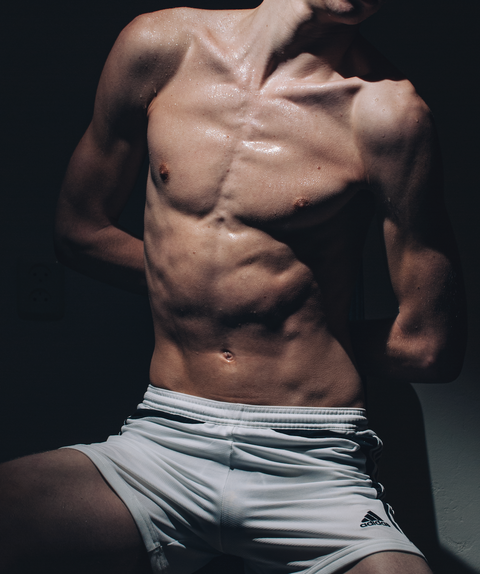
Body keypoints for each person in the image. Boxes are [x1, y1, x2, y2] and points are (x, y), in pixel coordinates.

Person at [0, 0, 467, 573]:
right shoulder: (160, 47)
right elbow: (80, 232)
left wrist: (298, 325)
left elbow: (428, 347)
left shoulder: (388, 114)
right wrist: (217, 294)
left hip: (311, 461)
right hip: (166, 441)